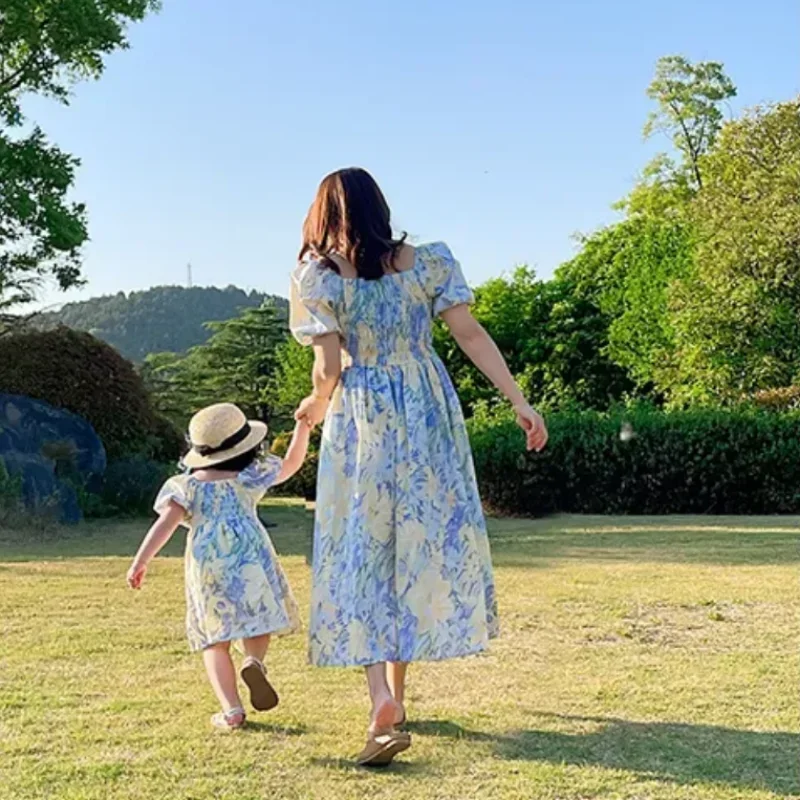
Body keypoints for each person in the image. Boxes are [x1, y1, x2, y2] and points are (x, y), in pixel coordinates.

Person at [291, 167, 548, 765]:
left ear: (325, 214)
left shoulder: (319, 279)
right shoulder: (429, 262)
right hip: (427, 413)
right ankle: (396, 699)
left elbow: (327, 371)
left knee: (363, 550)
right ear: (380, 207)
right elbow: (470, 335)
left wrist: (313, 407)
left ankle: (381, 695)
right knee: (410, 547)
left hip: (363, 419)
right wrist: (518, 400)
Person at [126, 402, 310, 730]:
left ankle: (232, 711)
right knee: (257, 619)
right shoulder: (249, 476)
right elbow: (293, 463)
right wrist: (303, 427)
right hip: (250, 557)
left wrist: (141, 561)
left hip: (207, 565)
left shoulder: (186, 486)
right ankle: (254, 662)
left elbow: (165, 525)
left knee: (215, 639)